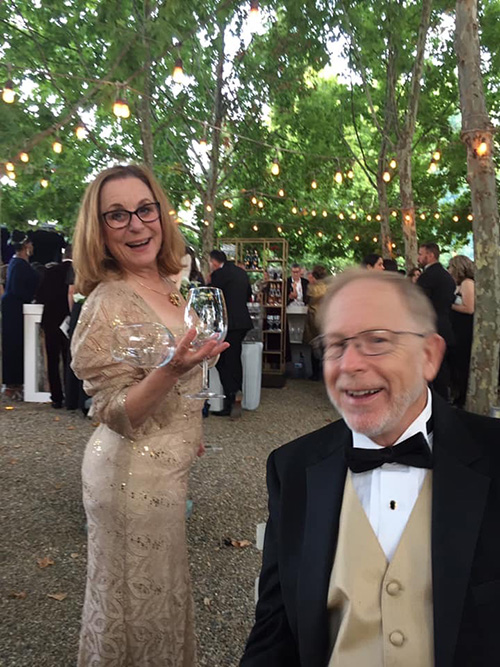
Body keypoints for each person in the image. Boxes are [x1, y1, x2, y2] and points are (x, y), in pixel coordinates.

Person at [241, 269, 500, 667]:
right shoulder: (292, 469)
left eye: (377, 341)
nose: (349, 364)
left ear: (429, 355)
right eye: (336, 345)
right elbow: (275, 632)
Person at [70, 164, 228, 666]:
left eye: (144, 209)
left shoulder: (170, 285)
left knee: (162, 601)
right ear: (99, 230)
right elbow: (113, 412)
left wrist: (188, 423)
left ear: (161, 213)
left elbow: (181, 381)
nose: (136, 225)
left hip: (166, 471)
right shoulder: (107, 301)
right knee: (134, 614)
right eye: (117, 215)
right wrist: (172, 370)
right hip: (128, 477)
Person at [208, 249, 252, 417]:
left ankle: (231, 396)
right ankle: (236, 391)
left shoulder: (218, 275)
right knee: (235, 359)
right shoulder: (241, 272)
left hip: (228, 323)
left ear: (213, 262)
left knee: (222, 361)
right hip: (243, 322)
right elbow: (248, 295)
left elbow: (213, 299)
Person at [1, 230, 39, 400]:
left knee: (16, 343)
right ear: (26, 246)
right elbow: (18, 289)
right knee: (14, 344)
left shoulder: (16, 263)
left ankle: (15, 382)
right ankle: (13, 383)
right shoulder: (19, 265)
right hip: (15, 309)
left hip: (14, 307)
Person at [417, 242, 456, 400]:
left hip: (430, 327)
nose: (418, 258)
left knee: (431, 370)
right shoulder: (447, 276)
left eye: (421, 254)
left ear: (431, 255)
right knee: (442, 370)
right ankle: (443, 402)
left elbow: (418, 302)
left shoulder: (427, 277)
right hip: (446, 326)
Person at [35, 246, 73, 408]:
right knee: (69, 359)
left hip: (51, 320)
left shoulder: (50, 272)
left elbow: (40, 296)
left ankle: (56, 397)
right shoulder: (77, 272)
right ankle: (71, 396)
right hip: (68, 320)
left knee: (52, 359)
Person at [448, 255, 475, 408]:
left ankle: (462, 397)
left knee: (463, 363)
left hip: (464, 328)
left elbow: (469, 308)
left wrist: (449, 305)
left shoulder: (467, 283)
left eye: (451, 267)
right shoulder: (459, 284)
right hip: (457, 328)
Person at [303, 265, 330, 381]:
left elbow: (306, 300)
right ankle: (326, 372)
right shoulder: (329, 287)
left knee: (313, 343)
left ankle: (315, 373)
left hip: (313, 316)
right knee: (326, 345)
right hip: (326, 317)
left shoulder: (311, 287)